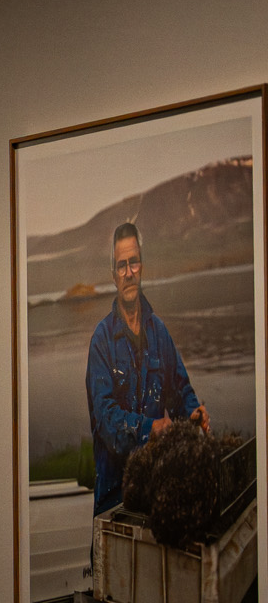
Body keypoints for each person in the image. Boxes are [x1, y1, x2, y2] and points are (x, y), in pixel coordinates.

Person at [86, 220, 207, 513]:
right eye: (122, 265)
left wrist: (194, 413)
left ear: (142, 266)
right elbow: (104, 419)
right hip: (114, 499)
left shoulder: (159, 332)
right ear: (113, 275)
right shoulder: (101, 341)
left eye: (134, 263)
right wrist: (149, 429)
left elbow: (180, 389)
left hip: (155, 490)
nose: (129, 273)